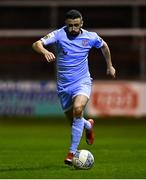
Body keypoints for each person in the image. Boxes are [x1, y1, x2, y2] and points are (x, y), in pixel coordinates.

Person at [32, 9, 116, 166]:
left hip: (82, 82)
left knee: (78, 109)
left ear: (82, 23)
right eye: (70, 25)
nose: (72, 29)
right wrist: (44, 51)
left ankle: (71, 153)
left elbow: (104, 46)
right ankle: (88, 125)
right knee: (74, 122)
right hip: (64, 86)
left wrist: (110, 66)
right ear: (66, 24)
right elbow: (36, 44)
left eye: (76, 25)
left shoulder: (90, 37)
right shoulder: (58, 34)